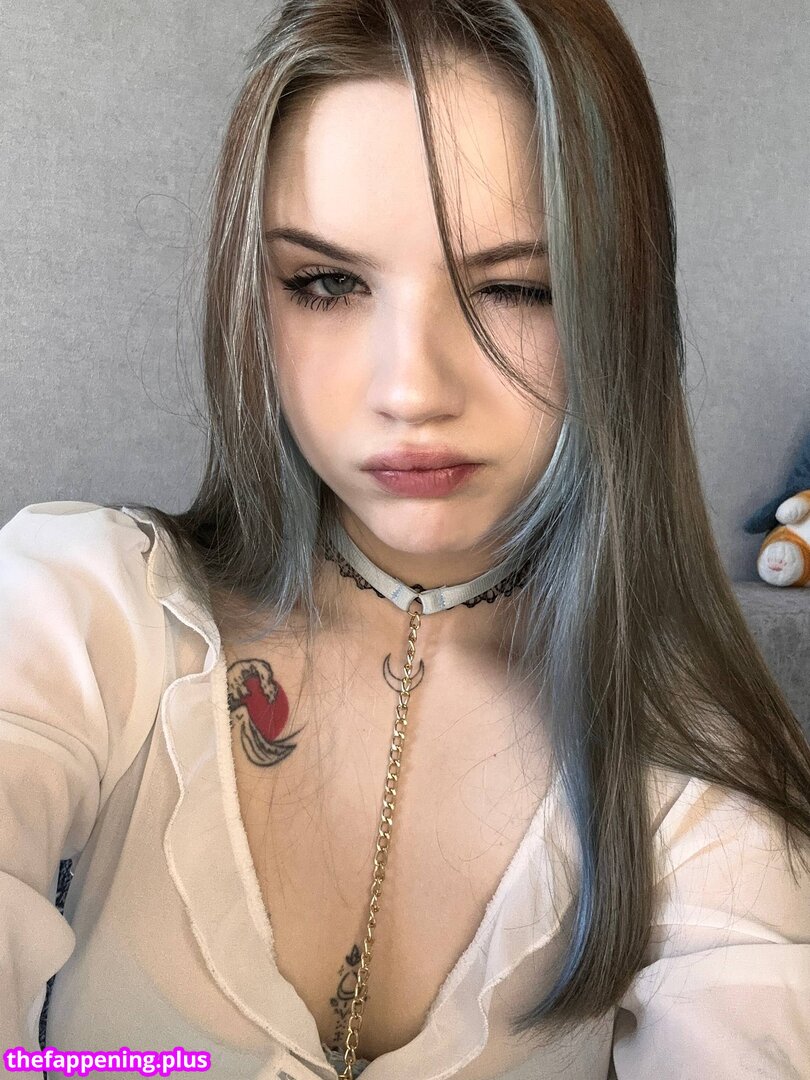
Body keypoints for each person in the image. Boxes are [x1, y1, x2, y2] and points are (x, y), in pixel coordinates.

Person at [2, 1, 809, 1078]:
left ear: (621, 309)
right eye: (327, 283)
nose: (411, 390)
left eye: (518, 289)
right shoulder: (80, 608)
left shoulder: (698, 771)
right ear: (253, 296)